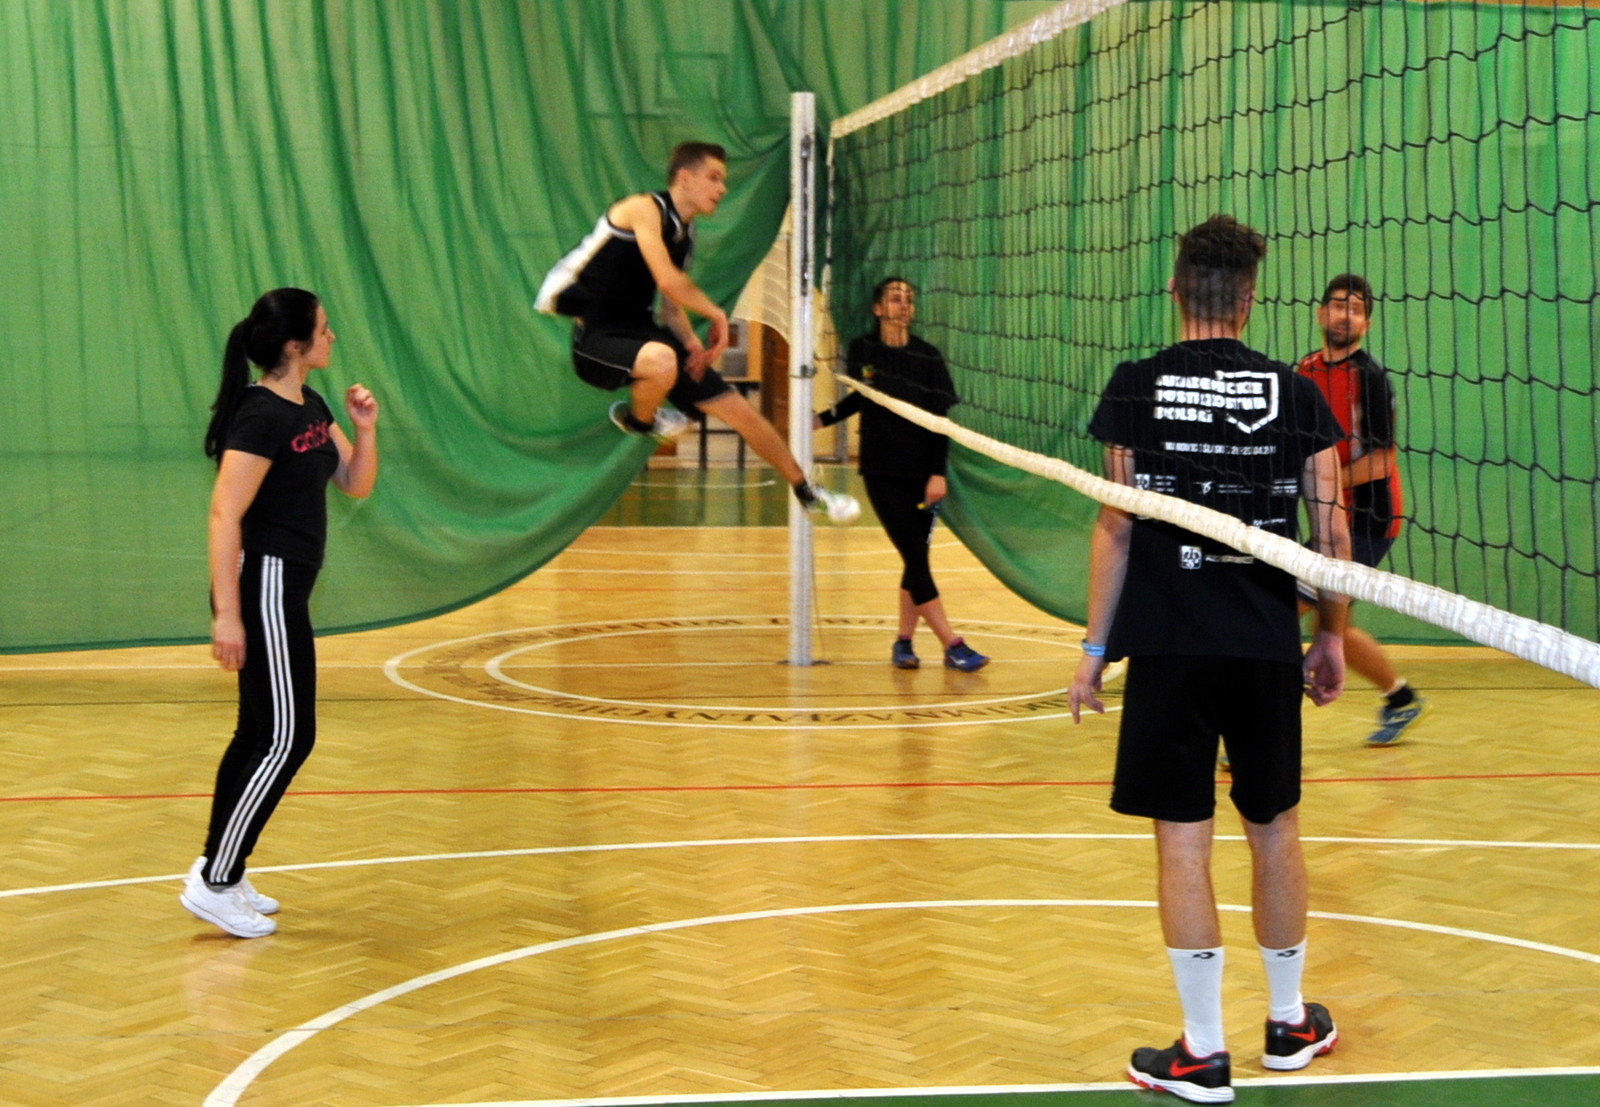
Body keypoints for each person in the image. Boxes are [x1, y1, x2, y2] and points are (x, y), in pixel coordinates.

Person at [1068, 215, 1350, 1104]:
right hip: (1263, 642)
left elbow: (1116, 525)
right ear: (1251, 298)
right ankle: (1288, 1022)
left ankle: (1202, 1050)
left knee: (1183, 841)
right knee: (1275, 826)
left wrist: (1094, 648)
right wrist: (1330, 634)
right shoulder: (1297, 393)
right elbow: (1333, 536)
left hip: (1169, 642)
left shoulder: (1134, 387)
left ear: (1176, 288)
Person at [182, 288, 379, 939]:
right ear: (296, 345)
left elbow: (354, 482)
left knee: (258, 733)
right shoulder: (262, 415)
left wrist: (366, 428)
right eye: (324, 328)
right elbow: (224, 513)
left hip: (286, 587)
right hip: (265, 584)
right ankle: (215, 879)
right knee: (288, 737)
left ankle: (222, 867)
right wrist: (228, 614)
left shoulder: (310, 405)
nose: (332, 336)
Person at [537, 140, 858, 524]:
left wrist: (691, 342)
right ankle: (639, 421)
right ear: (685, 178)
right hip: (596, 336)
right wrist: (716, 315)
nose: (722, 188)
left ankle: (806, 489)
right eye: (714, 177)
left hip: (642, 329)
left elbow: (671, 306)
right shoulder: (641, 208)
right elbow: (668, 281)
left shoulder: (686, 234)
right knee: (661, 360)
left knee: (740, 410)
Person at [815, 277, 988, 671]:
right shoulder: (864, 350)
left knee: (916, 559)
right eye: (895, 298)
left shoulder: (928, 356)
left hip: (922, 473)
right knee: (914, 555)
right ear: (878, 308)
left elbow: (941, 421)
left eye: (909, 298)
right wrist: (822, 419)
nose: (903, 304)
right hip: (881, 470)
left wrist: (937, 474)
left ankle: (904, 642)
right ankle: (952, 644)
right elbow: (863, 397)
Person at [1297, 275, 1424, 746]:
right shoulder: (1304, 371)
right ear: (1321, 313)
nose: (1344, 315)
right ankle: (1400, 698)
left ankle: (1262, 731)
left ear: (1366, 323)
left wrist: (1323, 484)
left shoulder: (1370, 379)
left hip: (1369, 522)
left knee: (1284, 610)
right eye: (1337, 305)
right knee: (1333, 626)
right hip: (1328, 520)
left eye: (1355, 309)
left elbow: (1381, 460)